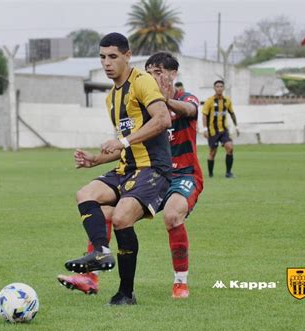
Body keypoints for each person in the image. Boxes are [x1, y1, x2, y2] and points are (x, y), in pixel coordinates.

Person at [58, 52, 203, 299]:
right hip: (146, 171)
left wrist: (164, 101)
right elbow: (130, 148)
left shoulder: (184, 99)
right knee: (104, 211)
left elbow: (188, 109)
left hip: (182, 175)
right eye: (149, 72)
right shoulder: (141, 106)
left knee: (172, 215)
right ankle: (90, 277)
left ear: (172, 74)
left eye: (159, 72)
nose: (153, 77)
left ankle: (180, 282)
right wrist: (97, 159)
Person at [201, 80, 239, 178]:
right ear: (214, 88)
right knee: (212, 153)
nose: (219, 88)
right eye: (217, 86)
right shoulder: (209, 101)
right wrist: (205, 129)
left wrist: (236, 126)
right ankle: (210, 174)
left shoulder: (227, 100)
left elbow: (232, 113)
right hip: (213, 131)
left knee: (230, 147)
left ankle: (228, 173)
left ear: (223, 88)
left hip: (223, 130)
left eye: (221, 86)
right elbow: (204, 115)